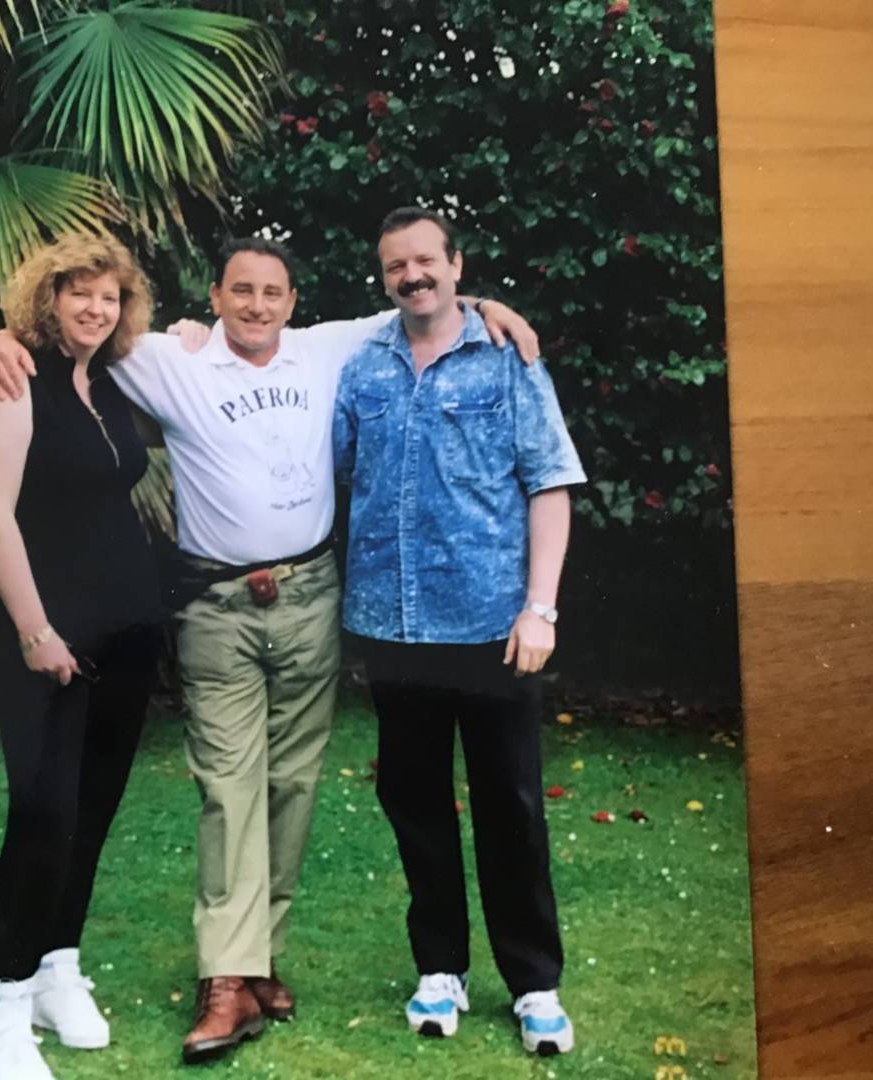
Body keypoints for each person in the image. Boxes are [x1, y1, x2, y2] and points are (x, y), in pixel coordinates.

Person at [0, 238, 540, 1064]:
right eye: (240, 290)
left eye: (272, 291)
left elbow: (423, 304)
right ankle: (224, 979)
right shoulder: (166, 356)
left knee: (292, 784)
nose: (256, 304)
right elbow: (61, 338)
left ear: (292, 298)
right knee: (227, 785)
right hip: (218, 605)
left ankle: (259, 960)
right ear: (215, 295)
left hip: (312, 594)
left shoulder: (326, 348)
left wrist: (493, 306)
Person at [333, 208, 587, 1056]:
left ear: (456, 265)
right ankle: (439, 968)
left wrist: (540, 607)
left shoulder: (508, 359)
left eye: (426, 261)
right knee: (415, 806)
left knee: (510, 806)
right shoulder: (360, 364)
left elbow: (549, 484)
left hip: (492, 627)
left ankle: (534, 983)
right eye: (396, 264)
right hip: (391, 626)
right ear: (383, 278)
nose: (413, 276)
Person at [0, 234, 164, 1080]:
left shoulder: (111, 382)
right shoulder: (12, 380)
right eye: (78, 293)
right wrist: (35, 632)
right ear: (44, 301)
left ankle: (57, 967)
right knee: (42, 812)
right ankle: (5, 1012)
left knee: (92, 811)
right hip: (49, 639)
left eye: (110, 296)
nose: (95, 308)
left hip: (129, 631)